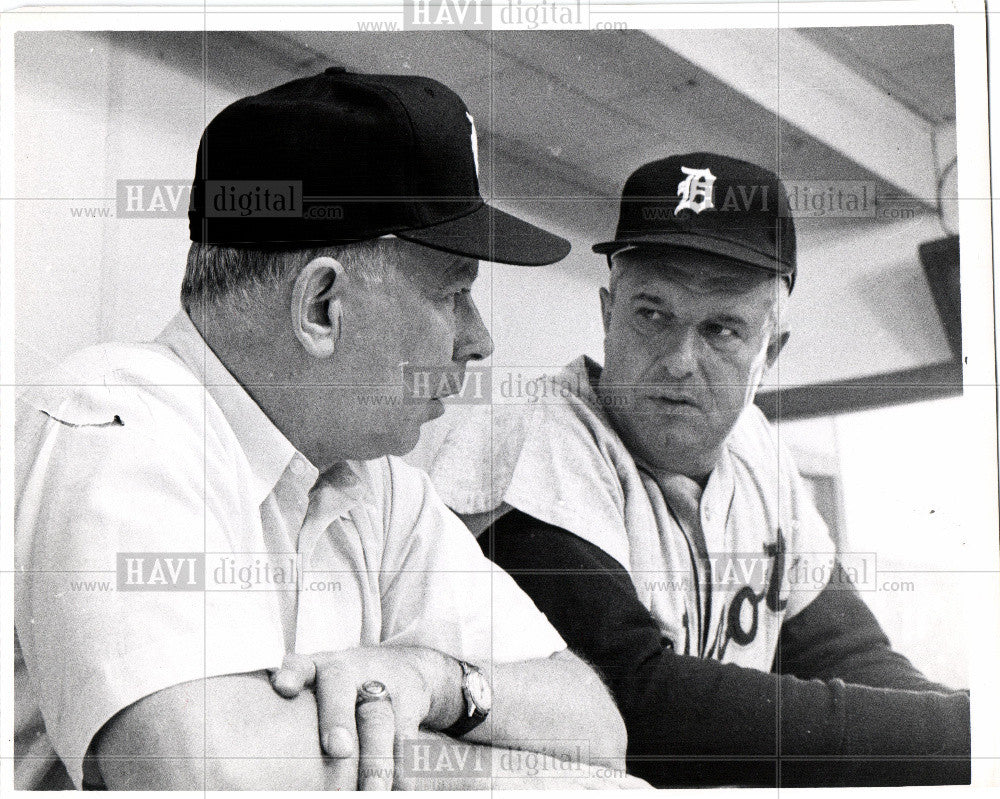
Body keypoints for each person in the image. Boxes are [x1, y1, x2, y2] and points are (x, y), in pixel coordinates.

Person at [13, 68, 637, 791]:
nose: (479, 339)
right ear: (321, 306)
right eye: (455, 293)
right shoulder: (113, 421)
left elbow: (598, 730)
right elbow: (215, 781)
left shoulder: (378, 485)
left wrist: (433, 681)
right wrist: (470, 761)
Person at [407, 153, 972, 787]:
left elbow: (845, 650)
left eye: (722, 329)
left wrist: (970, 735)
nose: (679, 361)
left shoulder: (755, 447)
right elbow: (638, 707)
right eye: (652, 314)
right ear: (607, 313)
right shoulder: (531, 434)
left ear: (771, 351)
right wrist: (966, 734)